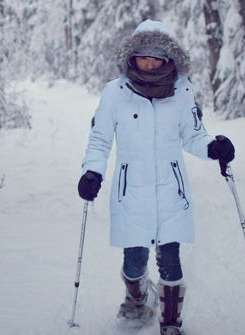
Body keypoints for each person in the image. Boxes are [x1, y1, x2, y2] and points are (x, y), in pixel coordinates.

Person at [77, 19, 235, 335]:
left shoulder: (182, 91)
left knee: (170, 261)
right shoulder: (115, 93)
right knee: (134, 262)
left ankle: (171, 322)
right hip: (131, 191)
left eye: (156, 56)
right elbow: (100, 139)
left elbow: (193, 136)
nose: (149, 62)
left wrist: (213, 147)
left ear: (168, 58)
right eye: (143, 56)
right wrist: (92, 171)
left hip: (170, 190)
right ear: (131, 57)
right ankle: (137, 301)